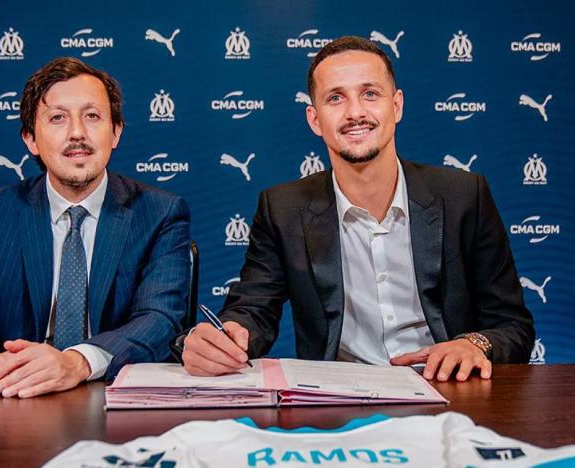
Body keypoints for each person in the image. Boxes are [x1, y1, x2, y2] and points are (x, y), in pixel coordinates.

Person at [180, 36, 534, 381]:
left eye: (370, 94)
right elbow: (253, 309)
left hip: (448, 391)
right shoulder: (282, 208)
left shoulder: (464, 196)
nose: (355, 112)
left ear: (396, 106)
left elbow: (512, 326)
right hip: (337, 400)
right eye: (335, 98)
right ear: (314, 119)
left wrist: (472, 344)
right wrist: (228, 337)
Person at [0, 57, 190, 397]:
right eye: (57, 118)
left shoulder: (160, 212)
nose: (77, 132)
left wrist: (76, 362)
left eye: (92, 116)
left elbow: (161, 319)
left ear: (116, 132)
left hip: (119, 403)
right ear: (31, 140)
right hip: (18, 402)